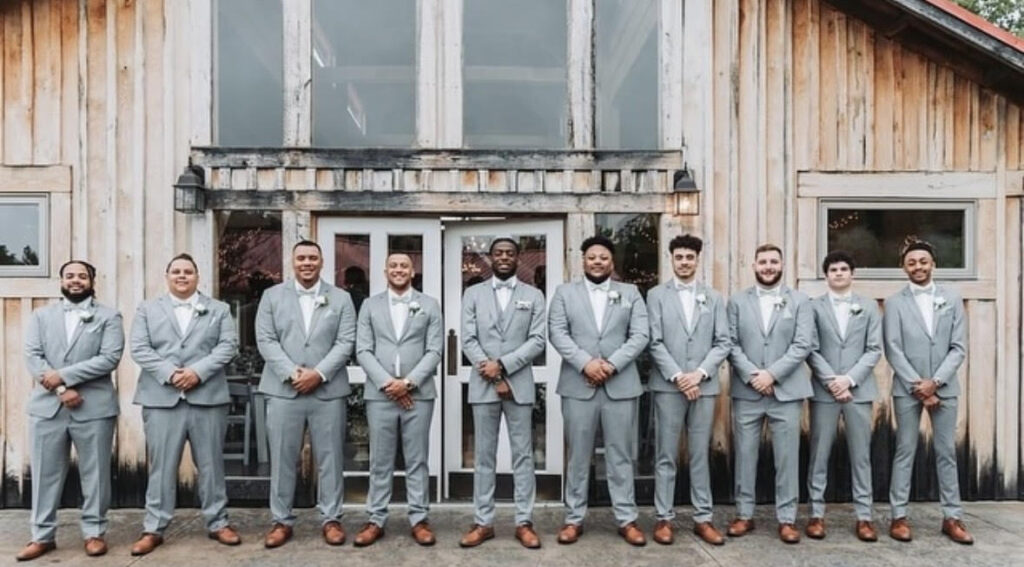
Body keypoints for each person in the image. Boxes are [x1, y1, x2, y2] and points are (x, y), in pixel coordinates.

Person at [129, 253, 241, 555]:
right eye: (176, 271)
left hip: (207, 397)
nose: (182, 276)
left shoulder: (219, 309)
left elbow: (227, 346)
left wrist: (197, 372)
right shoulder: (147, 309)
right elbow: (139, 347)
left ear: (197, 277)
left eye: (188, 272)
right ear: (167, 276)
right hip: (161, 398)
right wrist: (170, 373)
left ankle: (218, 522)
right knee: (162, 467)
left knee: (212, 465)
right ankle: (154, 527)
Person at [18, 260, 124, 561]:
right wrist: (61, 389)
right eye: (69, 276)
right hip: (47, 407)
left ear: (92, 280)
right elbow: (33, 356)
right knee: (44, 473)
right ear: (61, 280)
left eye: (82, 276)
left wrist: (64, 376)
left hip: (94, 406)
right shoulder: (41, 316)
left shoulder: (109, 316)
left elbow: (109, 358)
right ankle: (42, 535)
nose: (75, 280)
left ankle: (94, 532)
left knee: (96, 473)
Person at [548, 235, 649, 546]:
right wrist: (586, 364)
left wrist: (611, 365)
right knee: (578, 456)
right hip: (579, 385)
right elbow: (557, 331)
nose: (597, 262)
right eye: (591, 257)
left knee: (620, 456)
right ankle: (574, 518)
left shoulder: (630, 292)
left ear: (612, 262)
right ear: (583, 261)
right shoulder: (565, 293)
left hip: (620, 385)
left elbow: (641, 334)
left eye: (603, 257)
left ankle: (626, 518)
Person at [255, 240, 357, 548]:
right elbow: (265, 339)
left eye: (313, 258)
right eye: (301, 258)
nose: (307, 263)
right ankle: (281, 520)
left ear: (322, 262)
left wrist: (319, 373)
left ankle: (331, 518)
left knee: (330, 458)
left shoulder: (340, 298)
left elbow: (346, 341)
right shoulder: (271, 296)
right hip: (284, 390)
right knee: (283, 459)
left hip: (327, 390)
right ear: (292, 262)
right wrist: (292, 372)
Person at [458, 238, 546, 549]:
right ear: (491, 258)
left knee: (523, 456)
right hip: (483, 386)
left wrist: (504, 366)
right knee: (483, 456)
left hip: (519, 386)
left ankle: (524, 521)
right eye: (499, 253)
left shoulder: (534, 295)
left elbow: (537, 340)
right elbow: (467, 338)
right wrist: (490, 370)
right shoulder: (473, 293)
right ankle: (483, 521)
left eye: (510, 253)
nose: (504, 257)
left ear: (517, 258)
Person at [884, 240, 972, 544]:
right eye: (911, 262)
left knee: (946, 452)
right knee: (904, 450)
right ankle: (898, 515)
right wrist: (919, 386)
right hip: (907, 389)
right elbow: (893, 349)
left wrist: (935, 381)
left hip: (944, 387)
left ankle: (952, 517)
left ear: (933, 263)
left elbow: (958, 347)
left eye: (923, 261)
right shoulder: (895, 303)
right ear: (903, 267)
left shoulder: (952, 297)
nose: (917, 266)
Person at [646, 234, 730, 546]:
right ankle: (663, 518)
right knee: (665, 455)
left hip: (704, 386)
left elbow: (723, 341)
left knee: (699, 454)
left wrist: (699, 374)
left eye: (689, 257)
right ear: (671, 259)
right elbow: (653, 341)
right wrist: (680, 376)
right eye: (679, 257)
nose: (684, 262)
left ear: (698, 260)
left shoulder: (713, 297)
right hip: (669, 386)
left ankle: (702, 518)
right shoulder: (656, 295)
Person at [354, 253, 443, 547]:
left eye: (404, 265)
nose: (399, 270)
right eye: (393, 265)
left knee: (417, 459)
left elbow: (435, 351)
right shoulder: (369, 305)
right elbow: (363, 350)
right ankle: (375, 518)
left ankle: (419, 518)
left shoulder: (429, 304)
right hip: (380, 395)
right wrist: (388, 384)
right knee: (380, 460)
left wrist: (407, 383)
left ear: (413, 271)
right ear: (385, 271)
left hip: (419, 394)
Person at [726, 244, 813, 544]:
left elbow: (803, 344)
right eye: (762, 261)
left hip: (786, 391)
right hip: (747, 391)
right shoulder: (737, 301)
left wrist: (772, 375)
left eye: (773, 261)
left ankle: (787, 519)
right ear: (753, 265)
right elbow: (731, 343)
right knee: (745, 456)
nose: (768, 266)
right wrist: (754, 376)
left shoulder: (800, 301)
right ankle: (743, 514)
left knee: (787, 458)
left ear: (782, 264)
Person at [805, 251, 881, 542]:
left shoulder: (869, 306)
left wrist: (849, 380)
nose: (838, 273)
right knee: (819, 454)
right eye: (833, 269)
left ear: (853, 273)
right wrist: (832, 381)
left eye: (843, 269)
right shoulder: (813, 307)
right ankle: (816, 514)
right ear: (826, 275)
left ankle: (864, 516)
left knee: (861, 456)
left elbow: (874, 348)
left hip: (858, 391)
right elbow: (810, 347)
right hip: (825, 392)